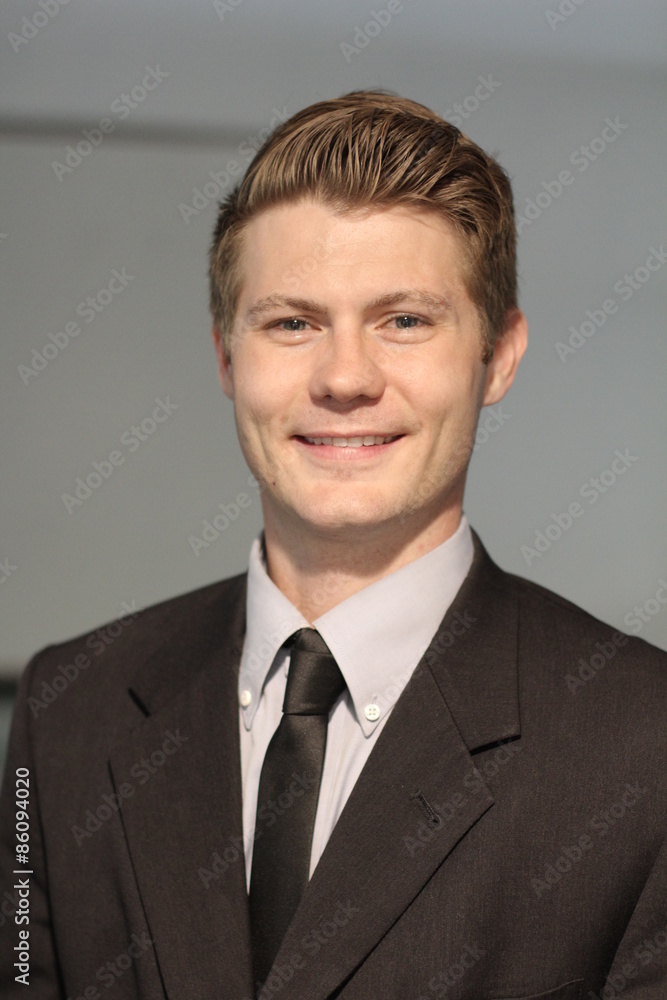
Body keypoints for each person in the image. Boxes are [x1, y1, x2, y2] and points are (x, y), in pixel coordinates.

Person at [0, 90, 665, 1000]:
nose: (344, 377)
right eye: (292, 323)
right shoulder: (69, 712)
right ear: (227, 357)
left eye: (404, 320)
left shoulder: (642, 742)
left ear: (499, 355)